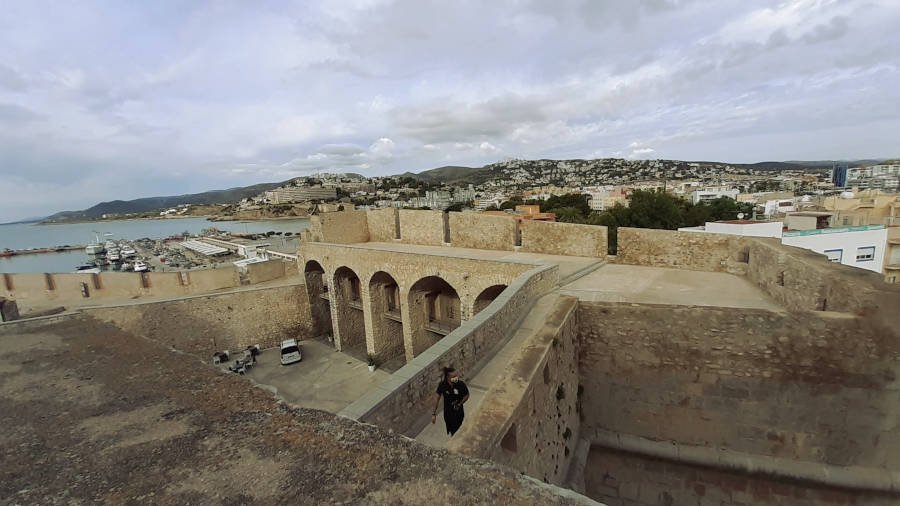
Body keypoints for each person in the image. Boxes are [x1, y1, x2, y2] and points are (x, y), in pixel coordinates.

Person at [431, 366, 469, 436]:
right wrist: (433, 414)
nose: (456, 377)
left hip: (458, 412)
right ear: (448, 377)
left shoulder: (460, 384)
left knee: (457, 430)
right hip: (448, 413)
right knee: (452, 430)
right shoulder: (442, 385)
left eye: (456, 375)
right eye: (454, 376)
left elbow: (467, 395)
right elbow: (436, 399)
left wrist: (459, 403)